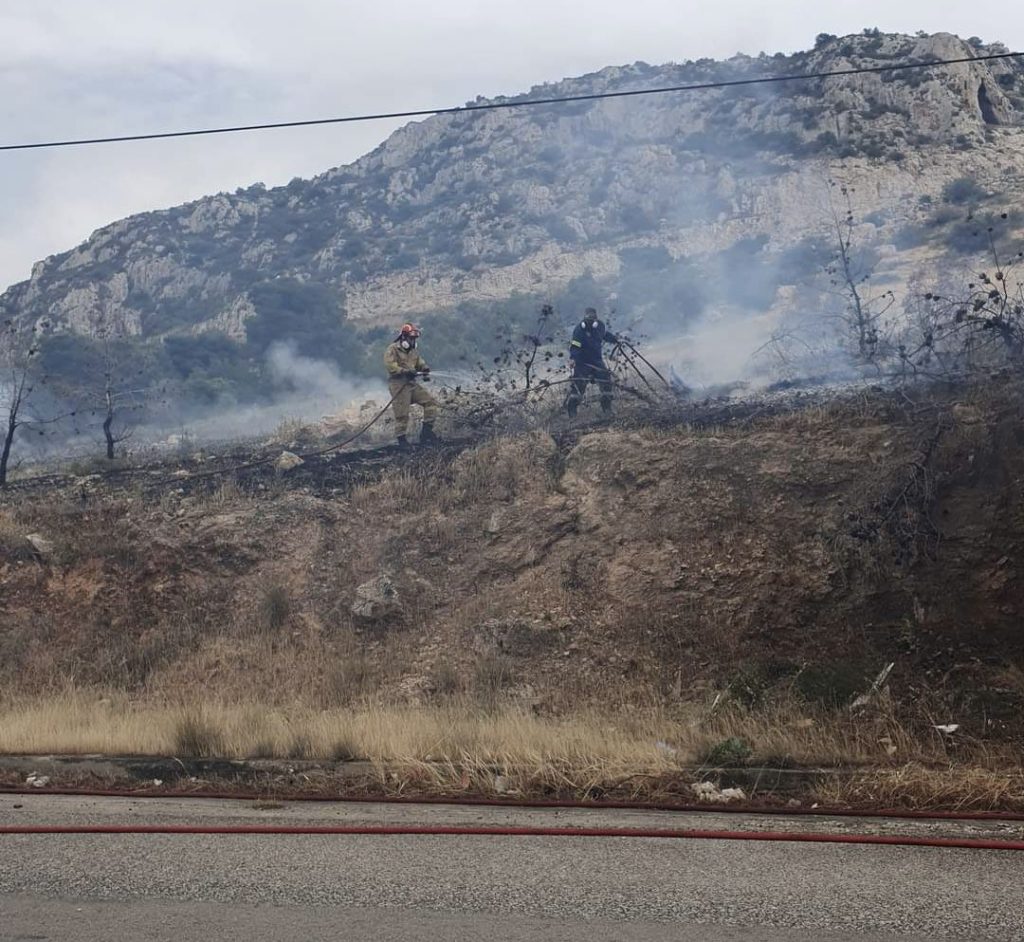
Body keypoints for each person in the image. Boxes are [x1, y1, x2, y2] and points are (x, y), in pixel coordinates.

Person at [383, 323, 440, 449]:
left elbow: (420, 362)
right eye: (411, 338)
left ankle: (426, 433)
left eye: (414, 339)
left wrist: (424, 368)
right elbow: (390, 366)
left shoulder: (413, 351)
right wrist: (403, 371)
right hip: (398, 385)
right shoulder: (392, 349)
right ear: (403, 338)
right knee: (402, 414)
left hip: (411, 384)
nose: (413, 341)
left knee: (430, 403)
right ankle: (402, 440)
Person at [566, 307, 619, 417]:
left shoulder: (600, 326)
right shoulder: (579, 330)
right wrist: (573, 359)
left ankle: (607, 409)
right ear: (584, 319)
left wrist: (615, 340)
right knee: (578, 387)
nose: (590, 321)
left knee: (606, 384)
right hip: (582, 363)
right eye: (588, 319)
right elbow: (575, 347)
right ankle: (572, 413)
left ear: (596, 319)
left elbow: (605, 335)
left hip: (597, 362)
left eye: (592, 319)